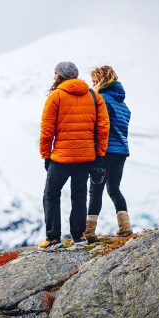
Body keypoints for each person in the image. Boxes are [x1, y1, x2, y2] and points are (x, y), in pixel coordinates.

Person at [39, 61, 110, 249]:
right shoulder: (94, 97)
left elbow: (47, 131)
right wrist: (100, 155)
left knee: (51, 195)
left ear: (59, 76)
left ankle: (53, 239)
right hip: (86, 158)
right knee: (79, 196)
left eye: (55, 74)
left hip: (61, 159)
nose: (53, 77)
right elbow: (103, 129)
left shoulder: (56, 97)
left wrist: (46, 156)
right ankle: (78, 237)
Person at [84, 66, 133, 243]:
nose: (92, 84)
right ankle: (125, 227)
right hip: (121, 151)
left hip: (105, 151)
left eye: (93, 81)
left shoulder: (101, 99)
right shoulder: (123, 104)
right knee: (114, 189)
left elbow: (99, 127)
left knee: (95, 190)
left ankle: (89, 232)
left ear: (99, 80)